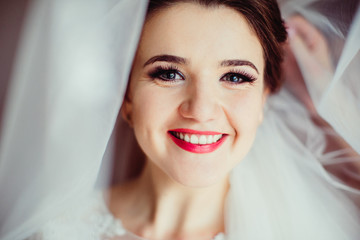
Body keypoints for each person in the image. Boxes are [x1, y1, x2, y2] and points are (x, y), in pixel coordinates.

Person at [0, 0, 359, 239]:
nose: (201, 110)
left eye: (235, 77)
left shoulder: (309, 230)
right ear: (125, 98)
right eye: (168, 74)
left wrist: (331, 108)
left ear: (264, 97)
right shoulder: (55, 230)